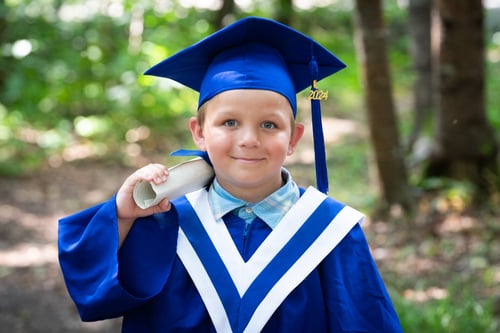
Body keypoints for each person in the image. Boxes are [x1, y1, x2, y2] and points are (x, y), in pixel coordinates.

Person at [58, 16, 403, 332]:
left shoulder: (331, 231)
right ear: (199, 132)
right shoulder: (165, 221)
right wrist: (121, 215)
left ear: (294, 138)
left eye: (269, 124)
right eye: (229, 122)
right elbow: (94, 293)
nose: (249, 140)